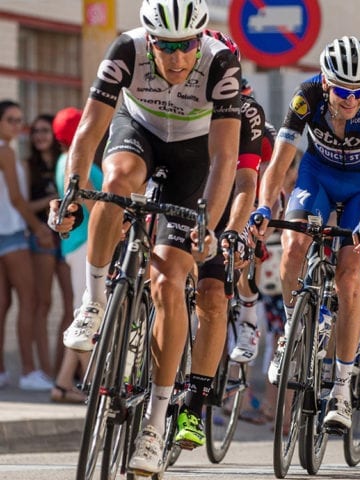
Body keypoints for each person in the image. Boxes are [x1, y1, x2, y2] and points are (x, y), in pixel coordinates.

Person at [48, 0, 242, 474]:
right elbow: (90, 129)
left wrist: (206, 224)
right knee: (115, 184)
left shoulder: (221, 62)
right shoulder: (125, 50)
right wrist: (73, 192)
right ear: (149, 40)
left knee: (167, 281)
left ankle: (155, 426)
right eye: (166, 47)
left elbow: (224, 159)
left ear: (202, 40)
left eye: (187, 47)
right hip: (139, 131)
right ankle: (93, 303)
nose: (177, 59)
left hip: (194, 155)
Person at [251, 36, 360, 432]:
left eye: (359, 91)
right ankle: (291, 331)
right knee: (294, 242)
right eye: (343, 91)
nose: (351, 100)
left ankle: (343, 390)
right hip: (318, 176)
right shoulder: (307, 96)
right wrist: (265, 206)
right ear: (326, 81)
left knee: (349, 272)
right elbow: (278, 165)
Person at [169, 29, 266, 449]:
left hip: (222, 204)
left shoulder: (246, 110)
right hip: (176, 193)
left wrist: (234, 231)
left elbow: (246, 180)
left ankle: (194, 403)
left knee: (211, 295)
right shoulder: (169, 93)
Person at [49, 107, 101, 404]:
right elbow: (90, 198)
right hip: (86, 242)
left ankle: (63, 382)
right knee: (86, 315)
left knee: (82, 314)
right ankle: (92, 384)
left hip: (76, 243)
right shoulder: (76, 160)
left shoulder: (62, 159)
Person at [0, 100, 46, 391]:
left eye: (20, 120)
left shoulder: (9, 150)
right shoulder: (4, 151)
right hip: (14, 234)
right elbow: (16, 199)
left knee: (2, 306)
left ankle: (2, 371)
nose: (18, 126)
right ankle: (29, 371)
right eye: (11, 120)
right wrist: (38, 228)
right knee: (29, 301)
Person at [25, 114, 67, 381]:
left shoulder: (64, 163)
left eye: (45, 130)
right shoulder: (28, 166)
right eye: (35, 131)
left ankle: (67, 368)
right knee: (44, 303)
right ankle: (46, 370)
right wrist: (53, 199)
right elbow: (24, 207)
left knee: (73, 304)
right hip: (42, 240)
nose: (39, 135)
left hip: (67, 241)